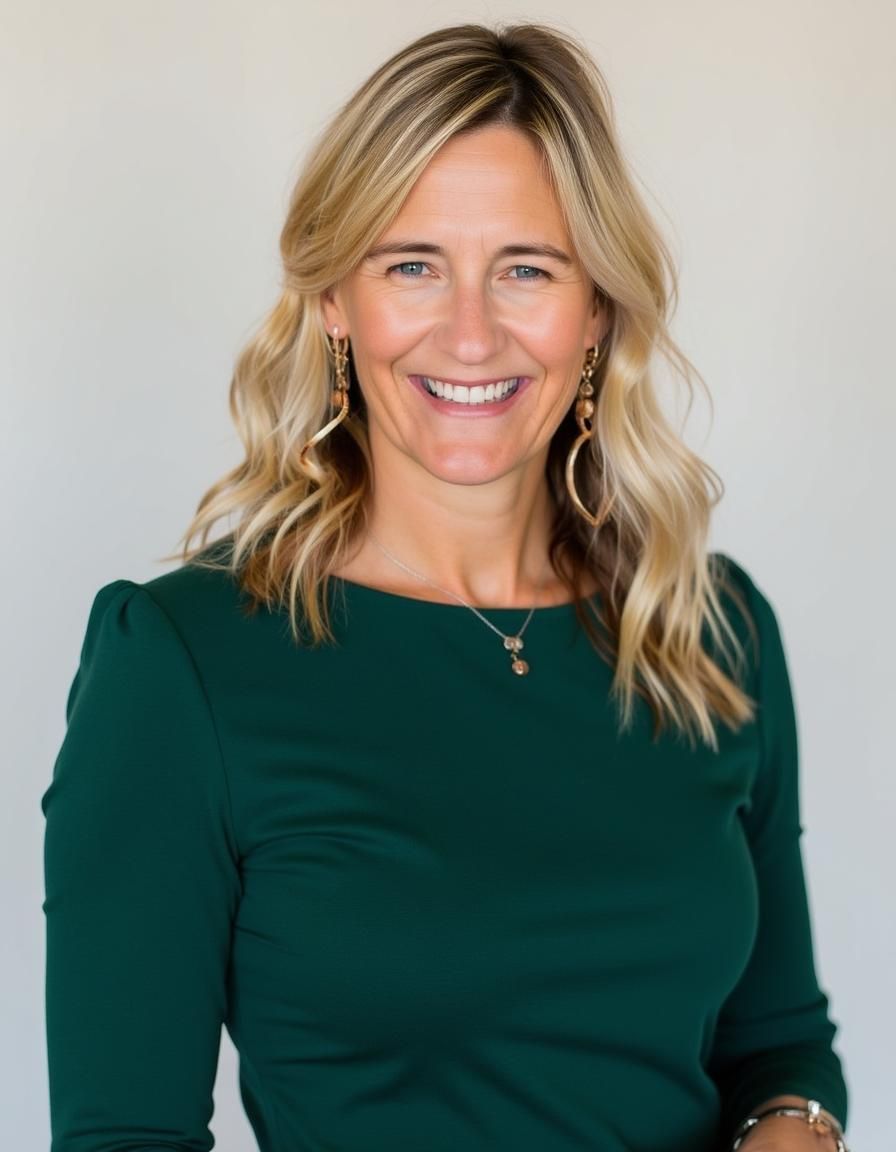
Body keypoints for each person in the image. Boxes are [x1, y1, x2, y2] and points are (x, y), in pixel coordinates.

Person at [41, 21, 851, 1152]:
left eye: (526, 269)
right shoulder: (183, 663)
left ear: (595, 311)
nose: (470, 335)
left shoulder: (706, 629)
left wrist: (794, 1126)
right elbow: (126, 1135)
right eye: (411, 265)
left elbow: (778, 1042)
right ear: (335, 299)